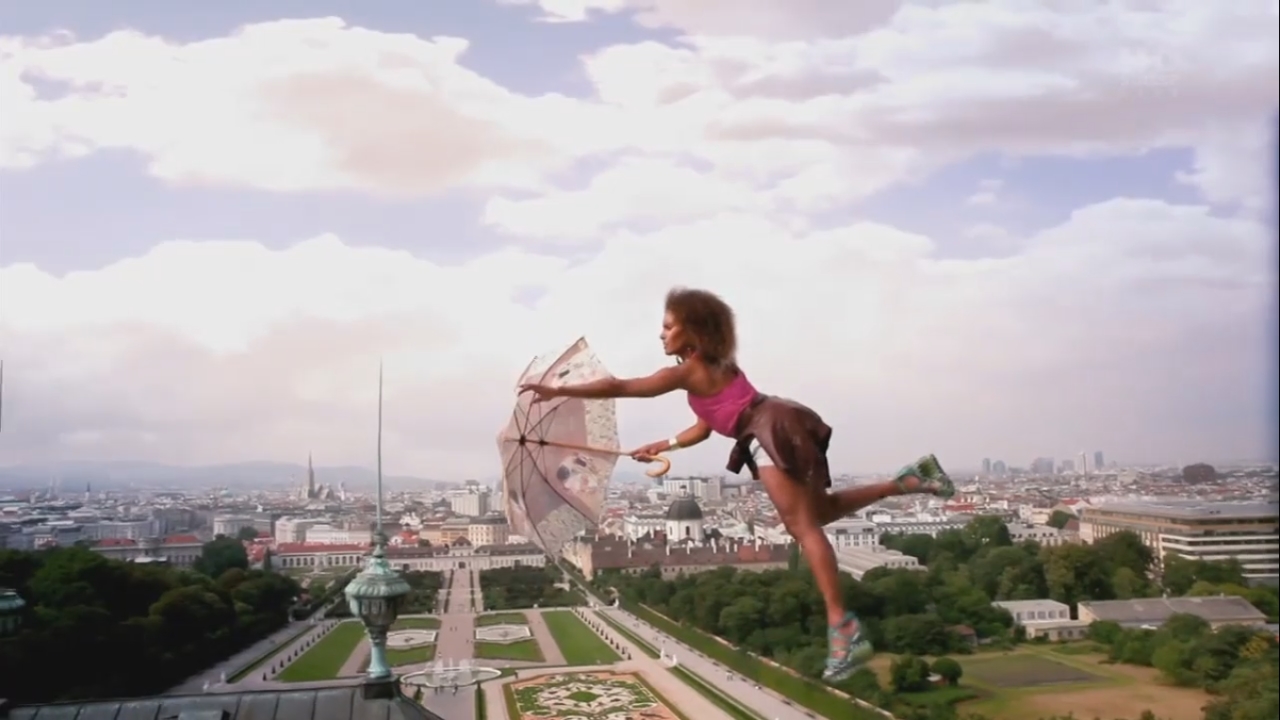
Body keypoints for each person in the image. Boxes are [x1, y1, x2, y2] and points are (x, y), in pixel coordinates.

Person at [519, 287, 955, 682]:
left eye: (669, 326)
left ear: (694, 333)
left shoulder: (686, 371)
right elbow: (705, 426)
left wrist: (561, 392)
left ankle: (843, 629)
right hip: (777, 420)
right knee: (819, 513)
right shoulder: (713, 368)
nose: (661, 334)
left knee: (802, 527)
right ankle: (911, 480)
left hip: (767, 430)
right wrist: (664, 444)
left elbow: (623, 386)